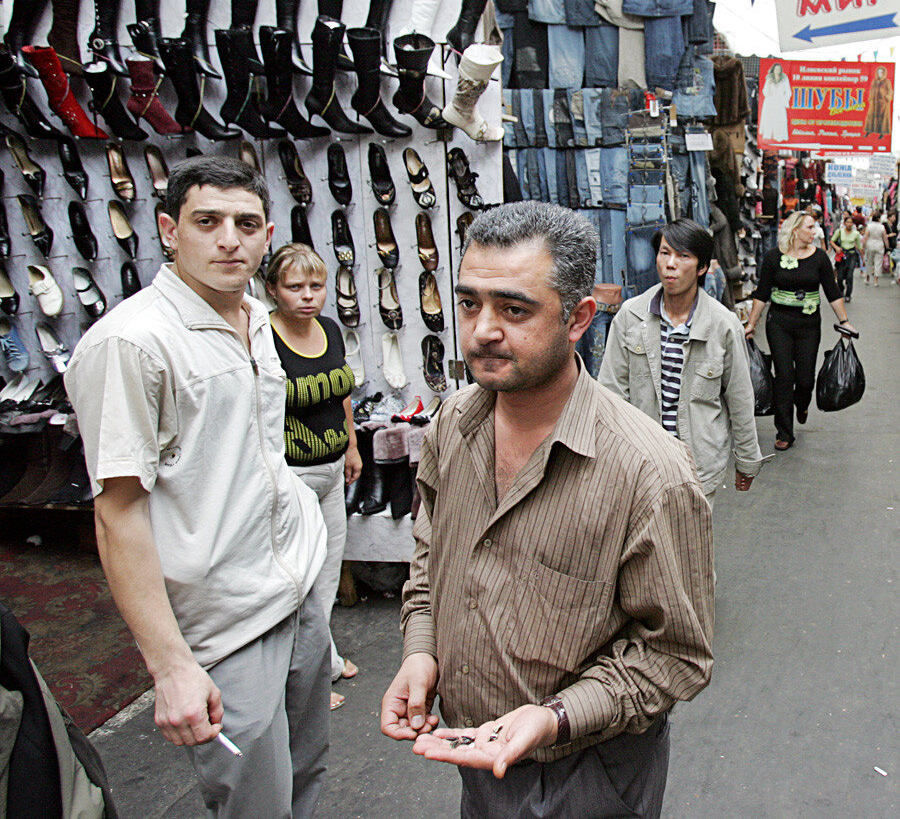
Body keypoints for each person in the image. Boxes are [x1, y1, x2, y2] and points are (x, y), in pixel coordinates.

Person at [381, 202, 713, 819]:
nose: (481, 330)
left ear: (578, 318)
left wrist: (556, 716)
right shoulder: (454, 424)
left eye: (514, 309)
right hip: (477, 756)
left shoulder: (648, 472)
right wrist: (421, 652)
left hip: (588, 774)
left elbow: (676, 655)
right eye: (469, 303)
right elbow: (432, 559)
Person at [65, 157, 330, 818]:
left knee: (308, 775)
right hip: (224, 622)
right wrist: (171, 666)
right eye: (206, 222)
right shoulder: (133, 343)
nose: (228, 239)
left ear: (268, 234)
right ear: (167, 229)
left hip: (294, 589)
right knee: (255, 803)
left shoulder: (255, 320)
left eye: (245, 224)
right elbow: (117, 514)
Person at [598, 218, 762, 510]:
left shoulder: (724, 326)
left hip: (697, 465)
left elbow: (739, 397)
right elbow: (611, 392)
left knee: (690, 551)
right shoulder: (630, 316)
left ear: (701, 268)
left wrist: (747, 460)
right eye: (664, 253)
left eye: (683, 256)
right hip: (641, 462)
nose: (670, 264)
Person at [266, 243, 362, 710]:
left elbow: (341, 392)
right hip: (292, 473)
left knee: (326, 571)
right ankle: (304, 681)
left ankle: (323, 655)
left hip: (330, 466)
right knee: (298, 579)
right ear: (272, 290)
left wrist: (353, 444)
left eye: (316, 286)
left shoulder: (328, 330)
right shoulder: (263, 338)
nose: (308, 296)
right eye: (295, 287)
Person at [745, 210, 857, 452]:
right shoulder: (774, 258)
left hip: (808, 325)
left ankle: (802, 404)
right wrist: (751, 324)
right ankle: (784, 431)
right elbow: (762, 293)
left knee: (805, 379)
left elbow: (833, 292)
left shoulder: (819, 259)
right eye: (809, 227)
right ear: (795, 230)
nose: (814, 232)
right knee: (784, 377)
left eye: (814, 227)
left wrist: (844, 321)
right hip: (779, 324)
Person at [830, 211, 863, 302]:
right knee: (839, 277)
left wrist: (863, 259)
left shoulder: (856, 234)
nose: (849, 224)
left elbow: (859, 247)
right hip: (842, 255)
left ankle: (848, 295)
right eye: (847, 222)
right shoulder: (839, 232)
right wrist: (836, 247)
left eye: (851, 222)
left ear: (853, 224)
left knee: (849, 276)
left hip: (852, 255)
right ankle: (841, 290)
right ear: (844, 223)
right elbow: (832, 241)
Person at [759, 62, 791, 142]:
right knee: (769, 119)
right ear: (773, 70)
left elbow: (788, 92)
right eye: (776, 69)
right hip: (770, 103)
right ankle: (767, 135)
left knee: (779, 120)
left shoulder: (784, 80)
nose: (777, 71)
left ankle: (779, 137)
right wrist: (768, 85)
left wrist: (784, 101)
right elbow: (765, 92)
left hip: (779, 103)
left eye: (779, 69)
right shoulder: (769, 79)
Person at [863, 65, 893, 137]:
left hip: (882, 104)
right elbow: (871, 89)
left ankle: (882, 133)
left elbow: (890, 91)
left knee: (882, 118)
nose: (880, 74)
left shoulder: (887, 81)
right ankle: (868, 132)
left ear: (884, 73)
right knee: (871, 117)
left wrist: (886, 96)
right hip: (874, 103)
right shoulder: (874, 81)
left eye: (881, 73)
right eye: (879, 72)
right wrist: (871, 98)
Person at [861, 211, 888, 287]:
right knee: (878, 263)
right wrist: (887, 246)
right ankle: (876, 281)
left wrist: (863, 245)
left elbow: (866, 237)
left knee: (869, 262)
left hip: (870, 245)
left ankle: (867, 279)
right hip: (879, 245)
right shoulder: (882, 227)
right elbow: (885, 238)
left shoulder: (869, 226)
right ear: (879, 219)